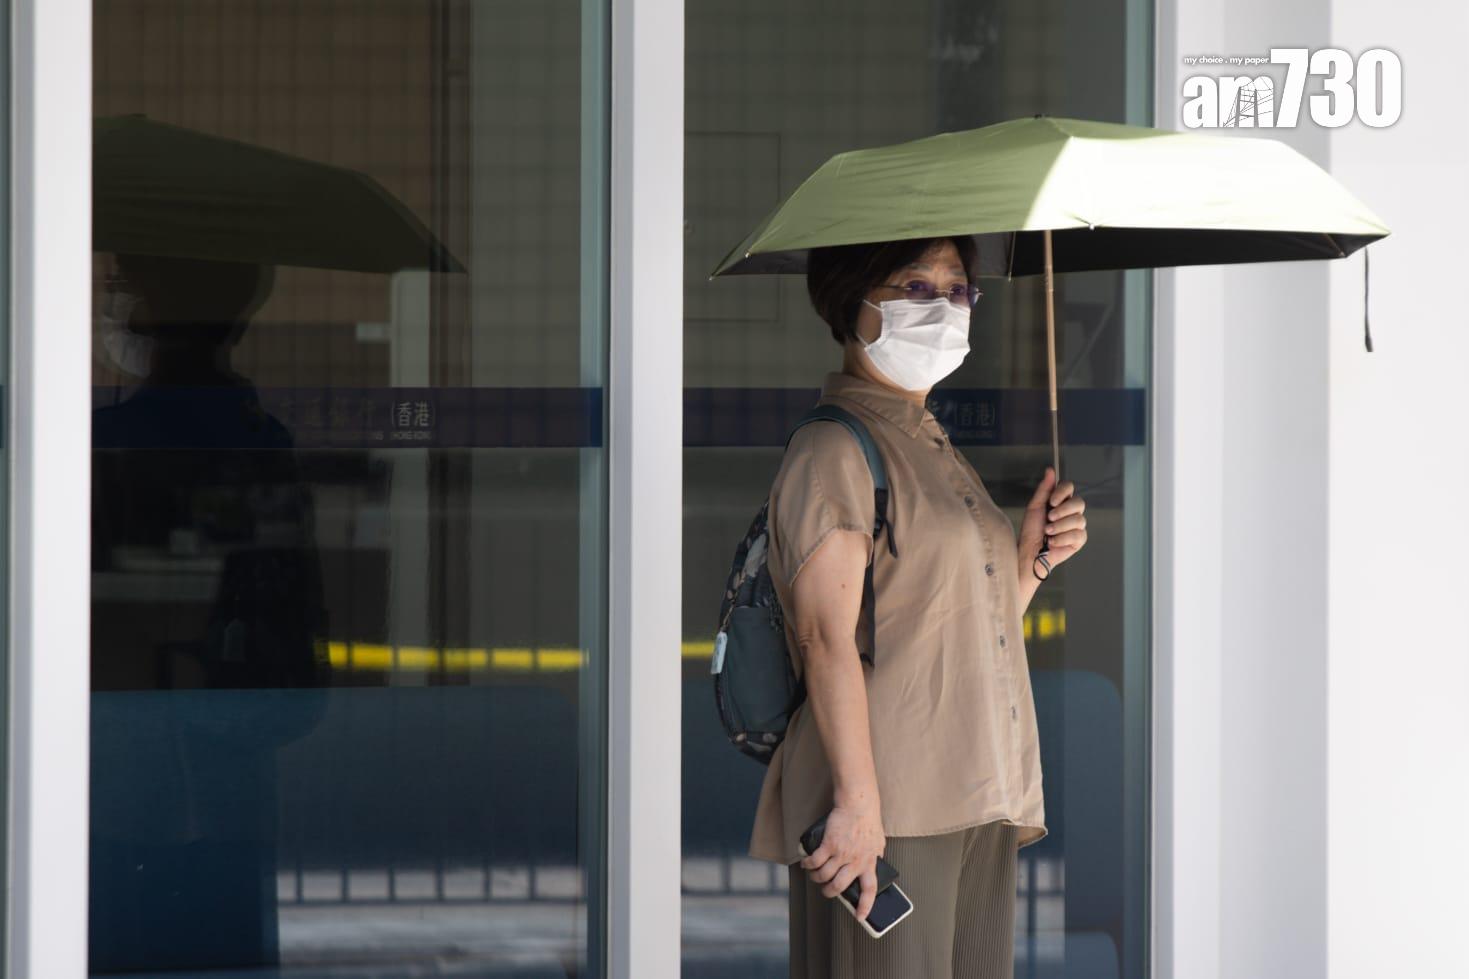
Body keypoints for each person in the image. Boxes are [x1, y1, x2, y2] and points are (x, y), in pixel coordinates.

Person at [747, 235, 1089, 978]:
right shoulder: (835, 448)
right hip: (889, 803)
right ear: (851, 304)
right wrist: (858, 806)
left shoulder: (926, 440)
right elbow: (823, 638)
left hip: (977, 784)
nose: (943, 308)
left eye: (958, 289)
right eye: (914, 286)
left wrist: (1033, 560)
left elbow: (953, 626)